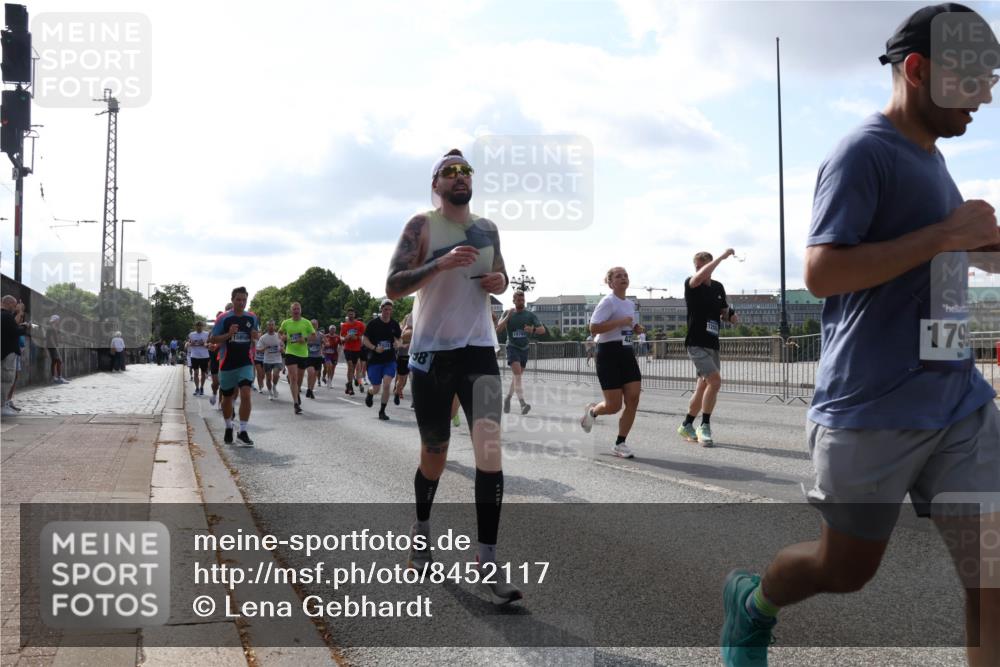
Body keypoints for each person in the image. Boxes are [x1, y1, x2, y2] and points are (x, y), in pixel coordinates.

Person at [721, 6, 1000, 666]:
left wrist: (978, 248)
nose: (987, 95)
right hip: (873, 406)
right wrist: (945, 236)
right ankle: (754, 601)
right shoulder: (863, 152)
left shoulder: (935, 163)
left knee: (991, 572)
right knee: (844, 568)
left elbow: (939, 263)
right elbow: (821, 272)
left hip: (957, 399)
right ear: (918, 70)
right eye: (976, 79)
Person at [385, 148, 521, 605]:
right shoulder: (420, 226)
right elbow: (394, 285)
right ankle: (421, 528)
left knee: (489, 451)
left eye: (466, 170)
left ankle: (488, 560)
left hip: (480, 349)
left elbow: (500, 274)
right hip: (431, 353)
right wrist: (438, 265)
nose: (460, 176)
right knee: (435, 454)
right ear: (435, 183)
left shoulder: (487, 228)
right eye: (450, 171)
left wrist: (499, 284)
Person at [579, 267, 644, 459]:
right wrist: (620, 322)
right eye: (618, 276)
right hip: (608, 353)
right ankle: (592, 412)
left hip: (626, 352)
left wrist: (636, 328)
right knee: (613, 406)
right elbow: (593, 327)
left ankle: (620, 443)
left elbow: (628, 325)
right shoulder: (608, 301)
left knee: (633, 398)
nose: (623, 278)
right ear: (610, 282)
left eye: (625, 275)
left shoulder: (630, 304)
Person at [678, 249, 739, 447]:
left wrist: (731, 317)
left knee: (703, 386)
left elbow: (723, 311)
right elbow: (700, 277)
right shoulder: (691, 283)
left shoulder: (718, 287)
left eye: (703, 264)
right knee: (715, 381)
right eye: (698, 265)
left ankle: (687, 424)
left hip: (712, 342)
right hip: (696, 342)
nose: (700, 268)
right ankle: (704, 426)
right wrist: (722, 257)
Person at [209, 287, 259, 446]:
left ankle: (242, 431)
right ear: (232, 300)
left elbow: (255, 336)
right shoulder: (224, 318)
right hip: (227, 363)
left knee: (246, 393)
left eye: (244, 300)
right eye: (238, 299)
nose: (241, 303)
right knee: (227, 398)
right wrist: (229, 334)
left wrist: (254, 336)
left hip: (245, 362)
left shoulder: (251, 317)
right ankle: (228, 426)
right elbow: (213, 339)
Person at [495, 290, 545, 415]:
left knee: (517, 378)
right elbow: (498, 329)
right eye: (518, 300)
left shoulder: (530, 315)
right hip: (512, 347)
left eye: (522, 300)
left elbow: (542, 330)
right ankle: (523, 403)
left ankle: (507, 399)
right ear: (513, 301)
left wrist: (532, 329)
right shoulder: (508, 312)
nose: (521, 302)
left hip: (524, 348)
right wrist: (507, 317)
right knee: (517, 376)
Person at [362, 299, 402, 421]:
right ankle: (370, 393)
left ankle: (382, 411)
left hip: (389, 360)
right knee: (376, 388)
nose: (388, 312)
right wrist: (374, 348)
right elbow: (365, 340)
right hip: (375, 360)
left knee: (387, 384)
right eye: (385, 309)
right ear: (381, 309)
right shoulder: (373, 324)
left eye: (390, 310)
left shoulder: (394, 324)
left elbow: (399, 339)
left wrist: (398, 344)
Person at [279, 302, 314, 415]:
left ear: (300, 310)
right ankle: (295, 403)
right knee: (293, 378)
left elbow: (313, 336)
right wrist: (282, 337)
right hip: (290, 352)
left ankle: (296, 393)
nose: (296, 311)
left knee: (299, 379)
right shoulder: (286, 322)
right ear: (291, 311)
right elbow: (279, 333)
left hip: (303, 353)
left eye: (297, 309)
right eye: (294, 309)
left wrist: (305, 339)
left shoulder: (306, 322)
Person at [1, 296, 26, 416]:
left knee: (8, 378)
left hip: (6, 351)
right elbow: (15, 330)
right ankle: (2, 406)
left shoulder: (5, 316)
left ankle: (4, 404)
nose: (15, 307)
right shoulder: (6, 315)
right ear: (9, 303)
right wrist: (26, 327)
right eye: (14, 305)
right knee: (6, 379)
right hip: (7, 352)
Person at [340, 308, 365, 395]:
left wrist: (357, 337)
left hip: (356, 349)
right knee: (350, 366)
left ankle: (348, 384)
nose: (351, 315)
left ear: (354, 315)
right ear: (347, 315)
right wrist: (345, 338)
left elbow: (363, 334)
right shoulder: (344, 325)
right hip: (347, 348)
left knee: (352, 368)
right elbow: (342, 337)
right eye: (349, 314)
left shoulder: (360, 324)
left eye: (352, 314)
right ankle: (350, 386)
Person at [257, 320, 283, 399]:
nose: (271, 326)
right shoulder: (263, 337)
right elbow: (258, 349)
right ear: (267, 327)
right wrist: (265, 348)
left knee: (275, 375)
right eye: (269, 325)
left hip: (277, 359)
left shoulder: (278, 336)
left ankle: (274, 387)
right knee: (268, 378)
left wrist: (281, 349)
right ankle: (270, 393)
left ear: (275, 326)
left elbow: (282, 346)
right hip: (267, 360)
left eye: (272, 325)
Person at [392, 313, 413, 405]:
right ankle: (397, 392)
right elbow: (397, 344)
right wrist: (405, 345)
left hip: (413, 357)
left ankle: (415, 401)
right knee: (402, 381)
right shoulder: (401, 330)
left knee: (413, 380)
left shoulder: (417, 329)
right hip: (403, 356)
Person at [302, 318, 324, 399]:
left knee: (315, 375)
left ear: (317, 325)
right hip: (308, 357)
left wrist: (326, 343)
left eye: (315, 324)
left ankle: (310, 390)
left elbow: (326, 342)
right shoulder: (306, 334)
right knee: (310, 373)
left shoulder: (321, 335)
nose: (314, 326)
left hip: (318, 357)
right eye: (312, 324)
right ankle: (309, 388)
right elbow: (302, 342)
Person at [188, 321, 211, 395]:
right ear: (195, 326)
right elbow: (188, 343)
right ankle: (197, 388)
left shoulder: (207, 334)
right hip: (194, 356)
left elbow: (210, 343)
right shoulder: (191, 334)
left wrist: (205, 344)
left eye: (200, 326)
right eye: (197, 326)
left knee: (203, 373)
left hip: (204, 356)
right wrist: (191, 344)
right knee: (196, 373)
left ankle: (202, 387)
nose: (199, 327)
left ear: (203, 326)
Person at [45, 315, 68, 384]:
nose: (59, 321)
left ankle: (54, 378)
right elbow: (51, 338)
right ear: (55, 320)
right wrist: (55, 347)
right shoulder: (51, 328)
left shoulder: (52, 327)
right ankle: (59, 378)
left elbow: (57, 332)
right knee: (59, 361)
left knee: (54, 361)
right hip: (52, 347)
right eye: (58, 320)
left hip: (51, 346)